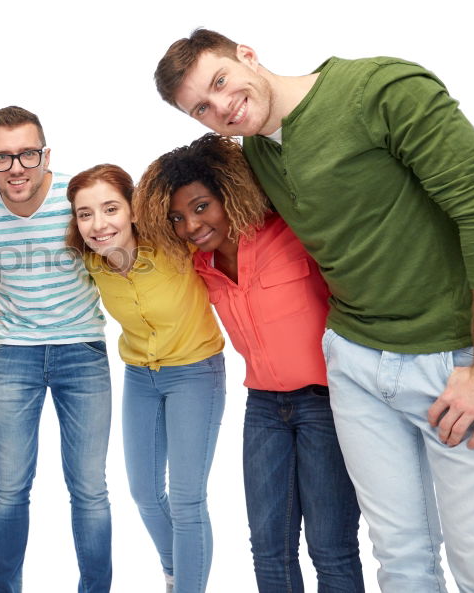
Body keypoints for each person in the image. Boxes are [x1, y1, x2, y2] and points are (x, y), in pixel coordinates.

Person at [155, 28, 474, 591]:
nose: (221, 106)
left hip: (449, 359)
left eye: (219, 81)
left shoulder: (380, 88)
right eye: (201, 108)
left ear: (248, 55)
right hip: (353, 363)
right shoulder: (258, 153)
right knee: (399, 553)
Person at [136, 133, 363, 591]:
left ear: (228, 194)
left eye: (201, 207)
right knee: (268, 549)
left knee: (331, 548)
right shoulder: (197, 265)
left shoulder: (289, 233)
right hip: (263, 407)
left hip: (327, 404)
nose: (191, 226)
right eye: (177, 218)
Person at [0, 106, 111, 593]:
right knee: (9, 486)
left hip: (81, 347)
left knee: (89, 489)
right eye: (3, 157)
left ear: (46, 155)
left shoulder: (77, 199)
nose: (16, 166)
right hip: (13, 352)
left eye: (27, 154)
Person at [66, 163, 225, 593]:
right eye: (85, 214)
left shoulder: (174, 247)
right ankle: (178, 575)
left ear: (133, 211)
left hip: (195, 373)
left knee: (188, 499)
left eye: (110, 209)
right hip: (140, 377)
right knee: (145, 493)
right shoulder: (90, 263)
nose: (99, 225)